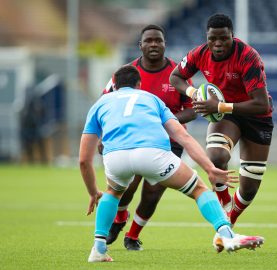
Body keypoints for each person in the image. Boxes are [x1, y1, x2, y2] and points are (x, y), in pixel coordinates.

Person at [80, 65, 264, 262]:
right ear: (139, 85)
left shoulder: (100, 103)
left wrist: (92, 192)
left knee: (113, 192)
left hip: (116, 157)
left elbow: (84, 160)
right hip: (152, 154)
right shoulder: (151, 99)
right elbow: (182, 135)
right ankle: (227, 236)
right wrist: (210, 168)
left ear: (114, 85)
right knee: (199, 189)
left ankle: (98, 249)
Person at [169, 13, 274, 252]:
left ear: (232, 37)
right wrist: (193, 93)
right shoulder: (199, 53)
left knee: (249, 189)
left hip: (256, 116)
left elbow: (262, 104)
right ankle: (224, 212)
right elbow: (176, 77)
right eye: (212, 39)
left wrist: (219, 106)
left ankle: (228, 225)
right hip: (226, 116)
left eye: (223, 39)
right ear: (207, 38)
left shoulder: (248, 56)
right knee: (216, 155)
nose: (217, 44)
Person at [99, 24, 196, 250]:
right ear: (140, 45)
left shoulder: (178, 74)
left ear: (164, 44)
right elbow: (106, 104)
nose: (154, 44)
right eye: (149, 40)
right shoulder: (125, 73)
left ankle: (132, 236)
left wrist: (166, 123)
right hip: (130, 140)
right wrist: (104, 136)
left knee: (153, 193)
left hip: (167, 142)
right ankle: (120, 218)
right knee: (126, 190)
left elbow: (193, 109)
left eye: (158, 40)